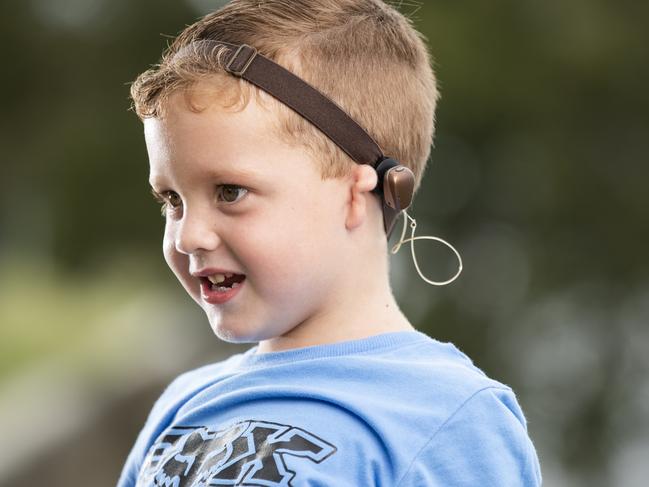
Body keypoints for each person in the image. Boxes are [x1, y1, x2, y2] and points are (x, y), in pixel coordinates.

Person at [118, 1, 542, 485]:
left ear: (355, 196)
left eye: (230, 193)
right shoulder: (182, 407)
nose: (189, 235)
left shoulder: (450, 417)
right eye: (172, 200)